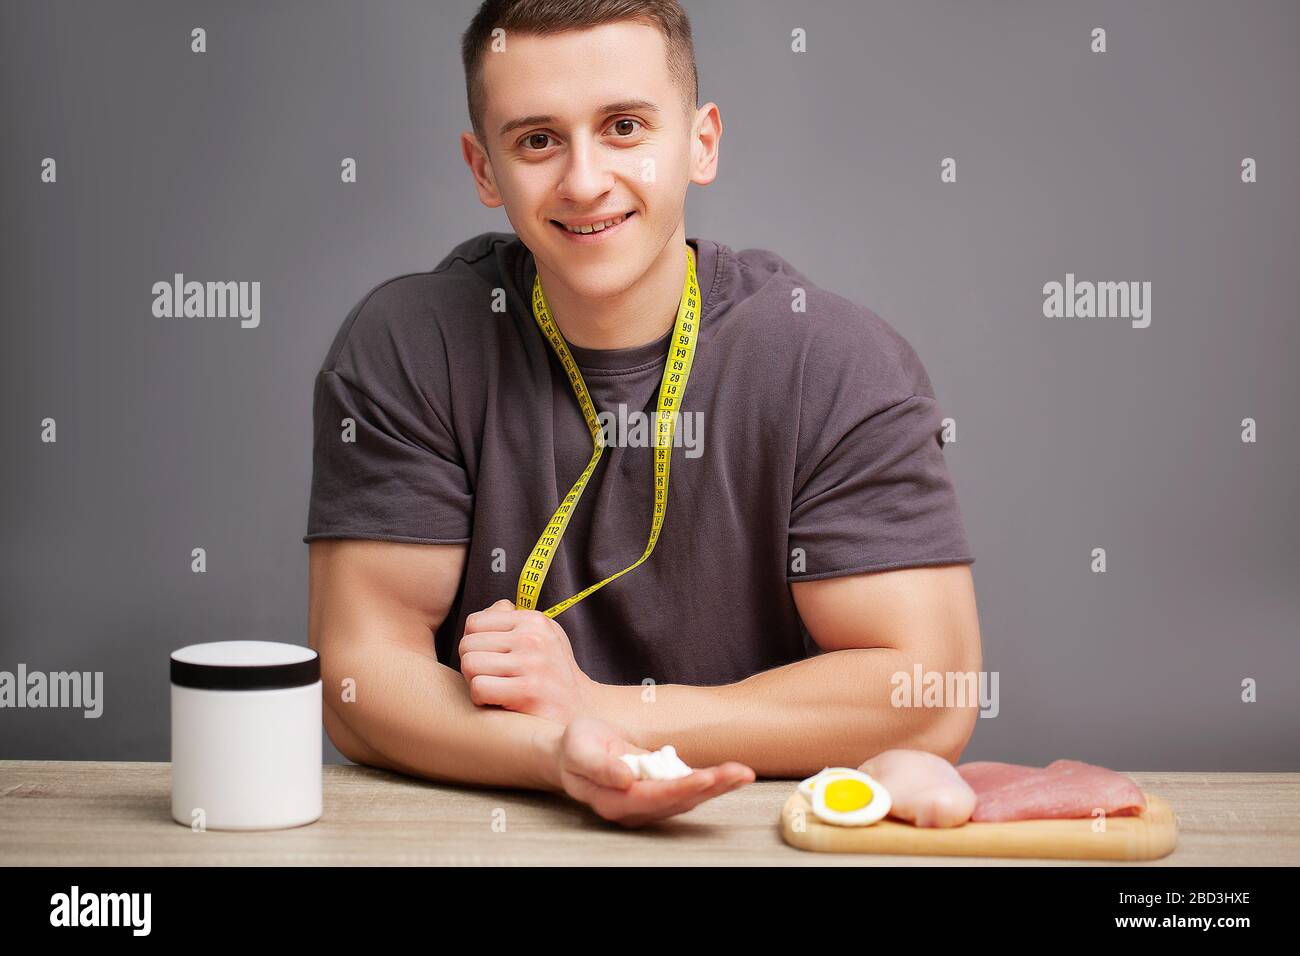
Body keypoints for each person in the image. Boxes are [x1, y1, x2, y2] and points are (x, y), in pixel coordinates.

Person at [304, 0, 981, 827]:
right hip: (491, 835)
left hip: (749, 837)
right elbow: (360, 677)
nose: (585, 180)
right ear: (484, 170)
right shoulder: (410, 345)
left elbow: (929, 693)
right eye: (538, 140)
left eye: (624, 126)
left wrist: (603, 710)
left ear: (700, 143)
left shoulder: (836, 363)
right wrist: (558, 756)